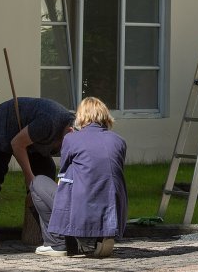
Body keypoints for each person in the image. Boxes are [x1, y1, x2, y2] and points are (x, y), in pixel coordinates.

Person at [30, 97, 128, 257]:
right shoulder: (119, 141)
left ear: (81, 116)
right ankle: (99, 235)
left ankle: (57, 242)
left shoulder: (71, 139)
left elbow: (64, 174)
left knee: (38, 182)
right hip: (113, 211)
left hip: (82, 207)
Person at [0, 97, 75, 247]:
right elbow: (17, 144)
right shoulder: (48, 122)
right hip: (7, 120)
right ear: (70, 130)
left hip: (34, 138)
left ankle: (46, 230)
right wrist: (28, 175)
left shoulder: (73, 133)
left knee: (46, 173)